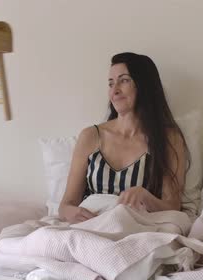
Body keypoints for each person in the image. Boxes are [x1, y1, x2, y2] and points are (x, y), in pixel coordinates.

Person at [59, 52, 190, 224]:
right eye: (111, 83)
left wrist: (145, 197)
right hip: (93, 225)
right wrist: (72, 213)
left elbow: (173, 207)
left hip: (137, 228)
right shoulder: (90, 136)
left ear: (144, 85)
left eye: (124, 80)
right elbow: (65, 206)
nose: (114, 90)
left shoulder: (168, 138)